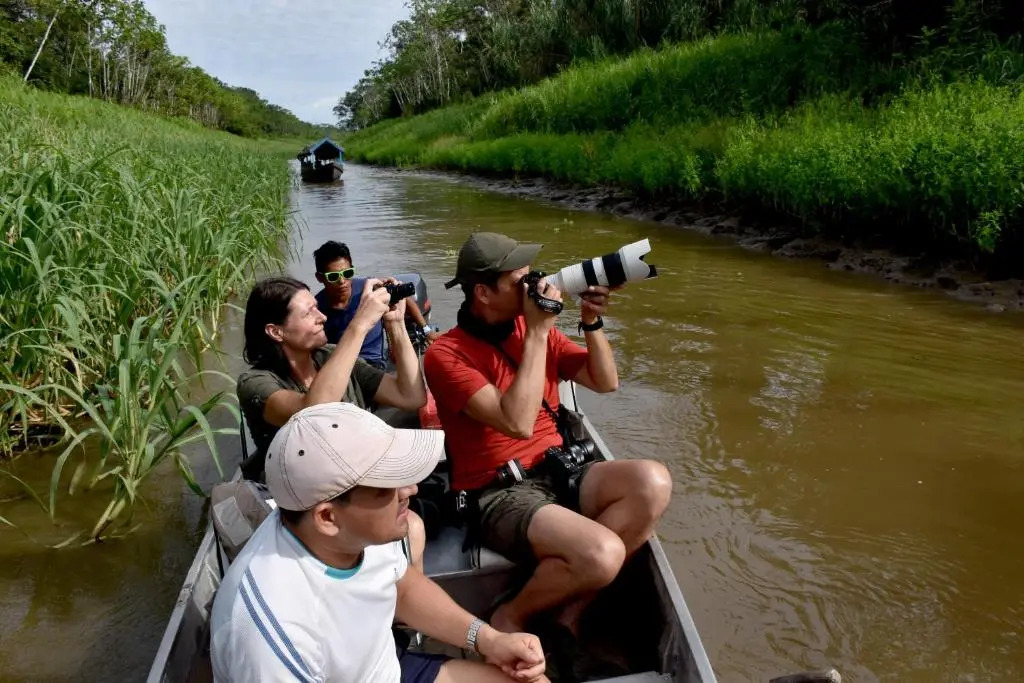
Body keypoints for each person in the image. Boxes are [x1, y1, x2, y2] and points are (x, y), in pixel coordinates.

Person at [423, 233, 673, 646]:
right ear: (483, 292)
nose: (532, 286)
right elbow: (517, 423)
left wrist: (590, 321)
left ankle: (569, 611)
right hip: (499, 491)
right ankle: (510, 614)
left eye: (530, 276)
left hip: (558, 467)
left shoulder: (532, 327)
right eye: (518, 280)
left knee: (652, 482)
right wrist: (538, 332)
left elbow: (605, 381)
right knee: (602, 553)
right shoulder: (446, 355)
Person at [210, 402, 549, 683]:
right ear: (327, 517)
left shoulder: (356, 530)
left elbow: (404, 587)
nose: (411, 489)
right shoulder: (272, 635)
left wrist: (489, 640)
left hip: (386, 667)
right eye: (386, 486)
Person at [236, 275, 426, 484]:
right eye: (308, 313)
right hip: (303, 490)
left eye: (317, 308)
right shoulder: (254, 382)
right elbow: (314, 414)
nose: (323, 317)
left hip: (354, 473)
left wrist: (395, 323)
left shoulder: (331, 356)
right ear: (276, 331)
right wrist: (360, 323)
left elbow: (410, 397)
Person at [313, 240, 440, 370]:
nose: (342, 281)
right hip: (343, 365)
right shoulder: (316, 309)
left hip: (374, 363)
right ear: (320, 277)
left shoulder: (369, 288)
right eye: (333, 276)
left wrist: (427, 331)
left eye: (347, 273)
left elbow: (405, 297)